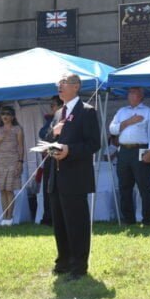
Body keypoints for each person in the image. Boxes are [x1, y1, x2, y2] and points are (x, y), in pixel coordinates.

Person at [44, 73, 100, 280]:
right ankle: (63, 261)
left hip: (76, 177)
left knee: (77, 222)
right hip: (56, 177)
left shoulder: (87, 111)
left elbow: (93, 144)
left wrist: (70, 150)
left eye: (63, 83)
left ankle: (79, 265)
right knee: (59, 222)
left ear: (76, 87)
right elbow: (49, 138)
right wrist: (54, 135)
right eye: (58, 84)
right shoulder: (59, 112)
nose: (59, 87)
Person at [109, 87, 150, 226]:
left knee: (144, 186)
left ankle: (148, 220)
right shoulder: (122, 111)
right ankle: (128, 219)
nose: (130, 95)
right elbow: (112, 129)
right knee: (124, 186)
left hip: (141, 149)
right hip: (124, 150)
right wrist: (128, 122)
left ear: (140, 96)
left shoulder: (147, 112)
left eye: (134, 92)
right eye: (129, 92)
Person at [0, 106, 25, 226]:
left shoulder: (17, 129)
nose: (5, 116)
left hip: (13, 160)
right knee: (2, 190)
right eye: (3, 114)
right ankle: (4, 217)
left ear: (13, 116)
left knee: (10, 189)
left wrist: (20, 161)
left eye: (8, 114)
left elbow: (21, 146)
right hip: (0, 161)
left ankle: (10, 217)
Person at [37, 95, 63, 225]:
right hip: (49, 156)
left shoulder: (65, 119)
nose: (50, 108)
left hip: (61, 157)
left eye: (53, 105)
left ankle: (58, 216)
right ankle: (48, 216)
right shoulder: (51, 120)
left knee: (59, 189)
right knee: (48, 188)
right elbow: (43, 133)